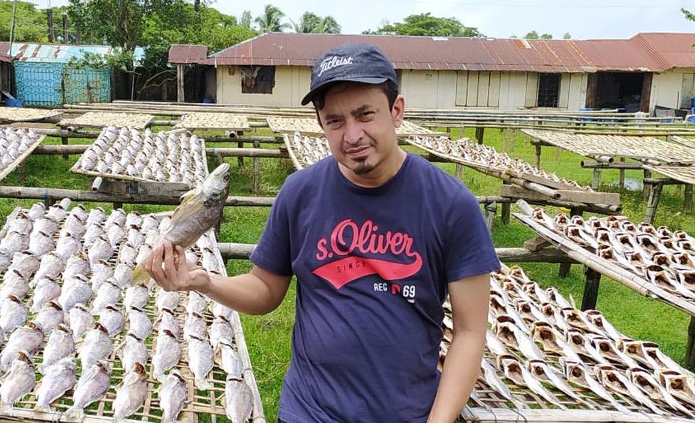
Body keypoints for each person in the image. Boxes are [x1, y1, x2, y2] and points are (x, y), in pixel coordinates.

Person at [146, 42, 500, 423]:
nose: (352, 135)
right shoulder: (300, 193)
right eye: (335, 120)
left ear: (396, 111)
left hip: (405, 413)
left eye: (366, 115)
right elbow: (265, 290)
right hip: (309, 411)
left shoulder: (450, 204)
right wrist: (204, 281)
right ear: (320, 123)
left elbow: (469, 330)